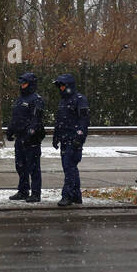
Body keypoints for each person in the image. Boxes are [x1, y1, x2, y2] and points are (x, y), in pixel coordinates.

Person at [6, 71, 45, 202]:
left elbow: (36, 120)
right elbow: (15, 118)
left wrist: (30, 133)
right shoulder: (20, 100)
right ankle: (23, 190)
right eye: (21, 83)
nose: (22, 85)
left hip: (31, 139)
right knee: (20, 166)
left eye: (25, 83)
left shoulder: (36, 100)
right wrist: (10, 130)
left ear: (31, 84)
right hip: (20, 137)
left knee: (33, 167)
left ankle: (35, 193)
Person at [52, 73, 90, 207]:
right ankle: (76, 195)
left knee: (69, 168)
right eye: (60, 86)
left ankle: (67, 195)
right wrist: (56, 136)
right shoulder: (63, 101)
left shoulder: (80, 100)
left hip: (73, 139)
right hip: (64, 139)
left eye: (63, 86)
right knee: (70, 168)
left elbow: (84, 121)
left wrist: (79, 138)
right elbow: (60, 121)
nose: (61, 88)